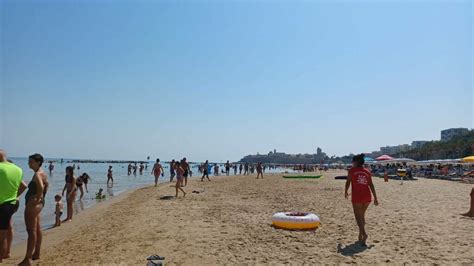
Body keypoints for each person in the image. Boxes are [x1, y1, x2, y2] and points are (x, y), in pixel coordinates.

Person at [19, 153, 49, 266]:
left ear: (38, 162)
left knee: (31, 231)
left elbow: (41, 187)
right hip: (39, 205)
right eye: (29, 161)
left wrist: (37, 198)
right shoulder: (43, 173)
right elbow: (47, 185)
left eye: (31, 162)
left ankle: (27, 259)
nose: (28, 163)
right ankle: (36, 253)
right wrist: (41, 197)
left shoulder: (37, 174)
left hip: (33, 205)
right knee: (37, 229)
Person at [345, 154, 378, 246]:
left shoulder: (352, 170)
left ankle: (364, 234)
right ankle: (360, 235)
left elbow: (348, 181)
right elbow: (371, 184)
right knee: (362, 216)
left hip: (357, 197)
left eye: (352, 161)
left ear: (356, 162)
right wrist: (375, 197)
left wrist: (345, 192)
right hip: (367, 197)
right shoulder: (367, 171)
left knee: (358, 217)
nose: (352, 163)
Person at [0, 151, 26, 263]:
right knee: (4, 232)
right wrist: (14, 196)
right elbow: (24, 186)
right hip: (10, 204)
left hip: (2, 204)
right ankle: (3, 256)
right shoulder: (18, 169)